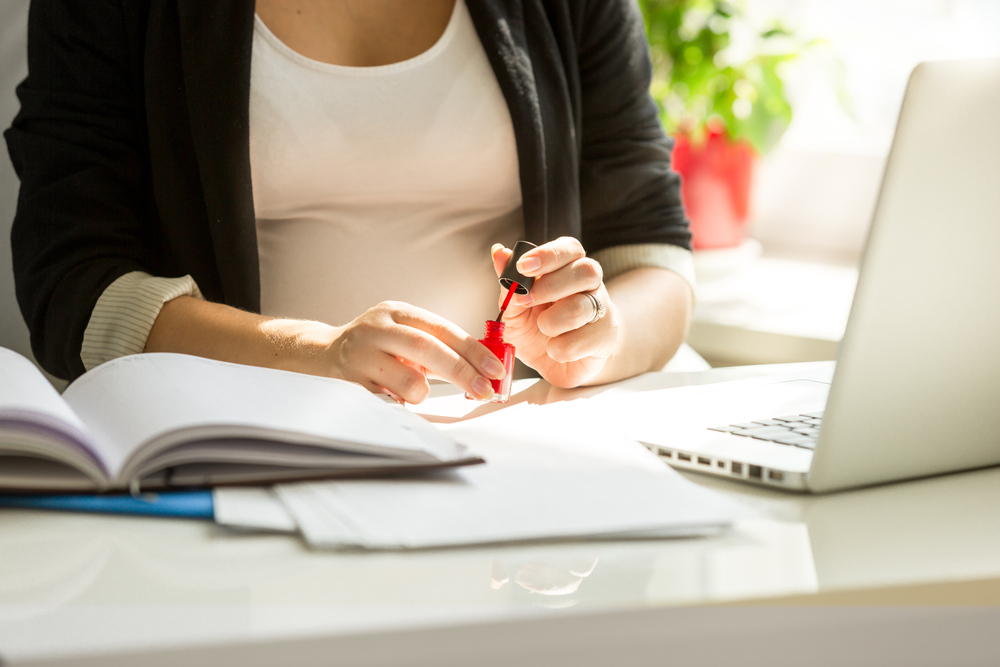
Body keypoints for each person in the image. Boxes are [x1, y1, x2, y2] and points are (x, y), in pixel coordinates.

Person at [6, 0, 694, 404]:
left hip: (513, 447)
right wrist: (318, 352)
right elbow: (71, 285)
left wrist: (600, 338)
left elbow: (656, 253)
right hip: (245, 449)